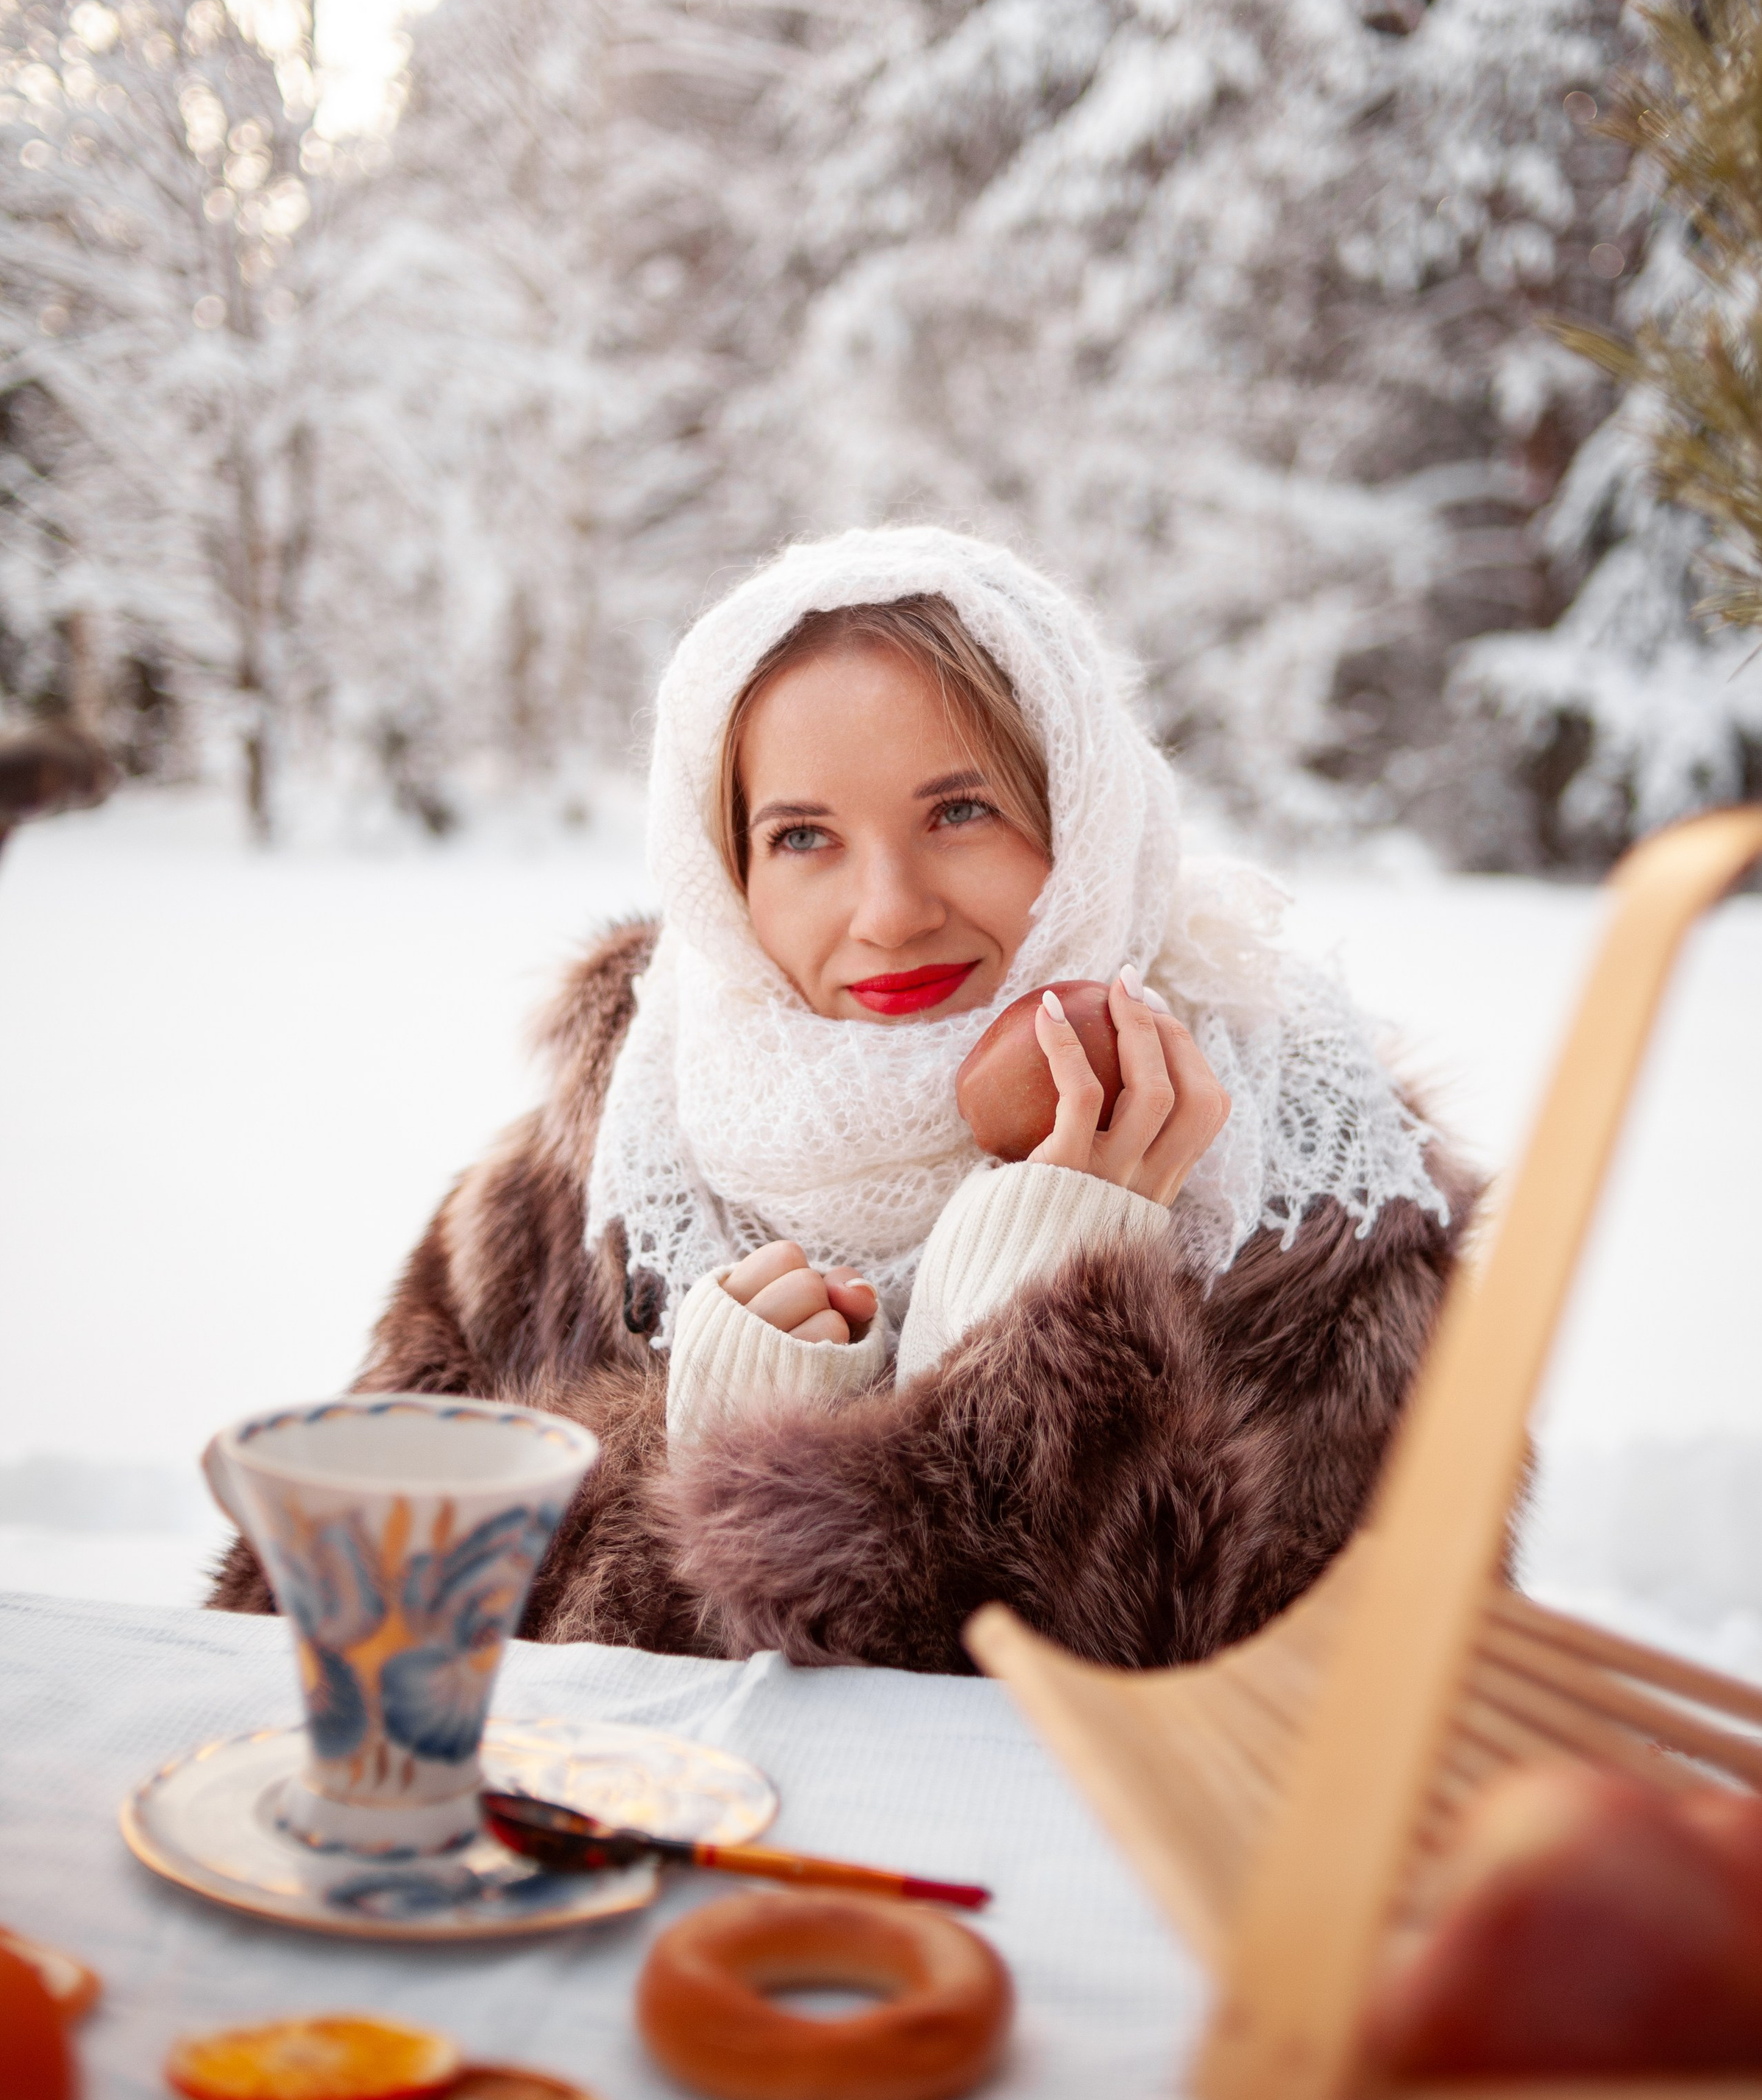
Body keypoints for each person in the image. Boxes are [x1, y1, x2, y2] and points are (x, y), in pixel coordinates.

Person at [211, 527, 1471, 1671]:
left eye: (962, 811)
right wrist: (709, 1449)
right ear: (728, 872)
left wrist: (1046, 1332)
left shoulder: (1315, 1207)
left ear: (1086, 818)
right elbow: (306, 1614)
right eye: (803, 837)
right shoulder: (586, 1179)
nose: (889, 913)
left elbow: (1311, 1730)